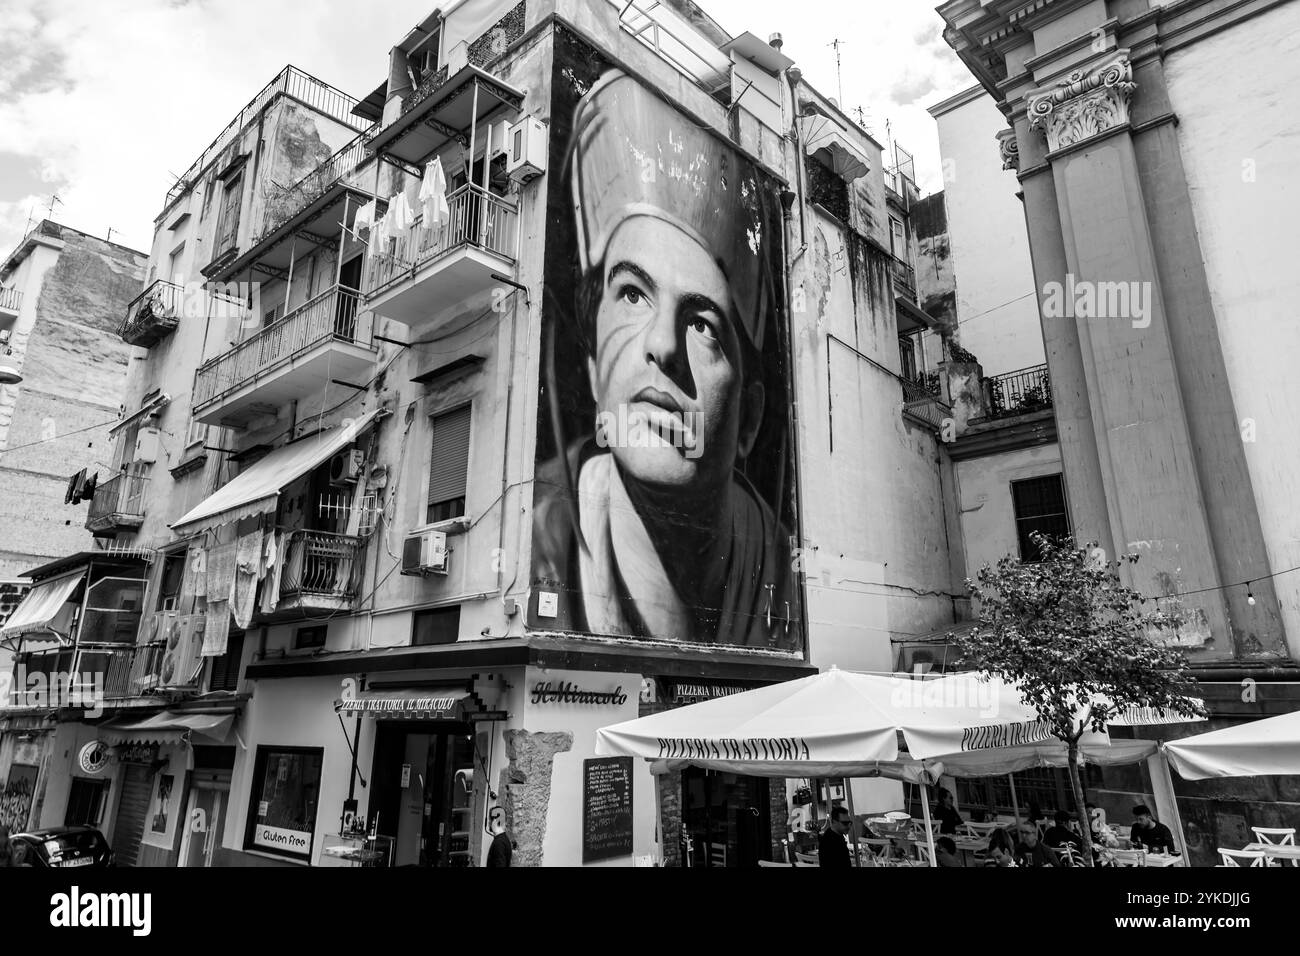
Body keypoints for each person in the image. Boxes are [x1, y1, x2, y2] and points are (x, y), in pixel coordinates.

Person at [533, 69, 796, 648]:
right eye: (632, 294)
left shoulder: (787, 580)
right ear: (593, 363)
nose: (664, 345)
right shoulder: (536, 539)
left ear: (749, 419)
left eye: (703, 325)